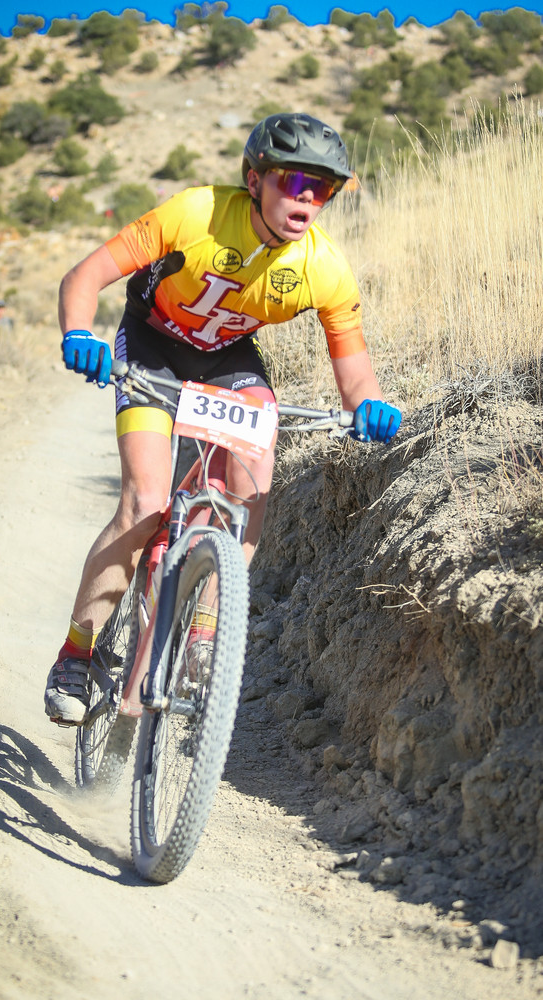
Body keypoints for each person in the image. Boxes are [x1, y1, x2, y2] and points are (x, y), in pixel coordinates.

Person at [44, 112, 402, 725]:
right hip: (152, 346)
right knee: (146, 501)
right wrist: (79, 333)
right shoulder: (195, 213)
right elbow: (84, 277)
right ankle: (76, 654)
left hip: (225, 361)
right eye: (294, 181)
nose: (307, 199)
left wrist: (369, 407)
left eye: (323, 188)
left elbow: (356, 376)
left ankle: (207, 633)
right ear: (254, 179)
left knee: (252, 480)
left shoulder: (323, 267)